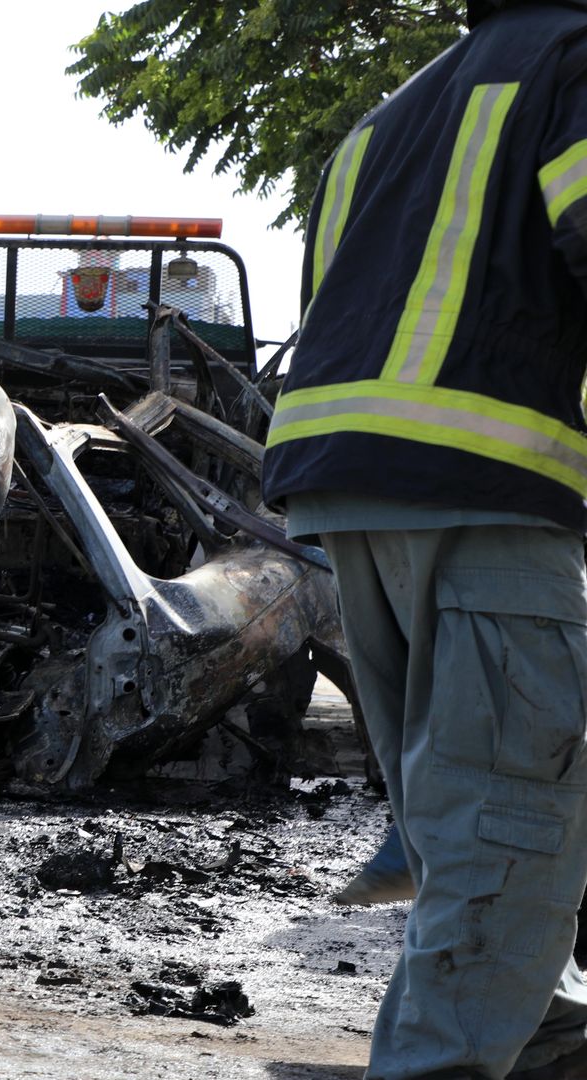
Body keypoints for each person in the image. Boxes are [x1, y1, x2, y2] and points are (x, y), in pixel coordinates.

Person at [260, 2, 587, 1075]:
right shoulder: (576, 60)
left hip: (349, 486)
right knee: (507, 820)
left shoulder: (387, 116)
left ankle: (530, 1025)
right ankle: (444, 1058)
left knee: (462, 806)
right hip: (486, 481)